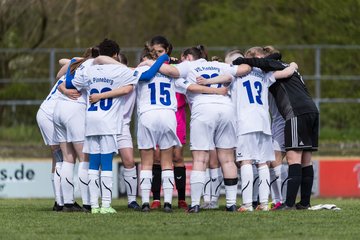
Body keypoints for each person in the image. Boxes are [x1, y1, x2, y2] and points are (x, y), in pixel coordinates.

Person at [141, 45, 251, 213]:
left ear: (188, 57)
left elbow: (168, 71)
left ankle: (195, 204)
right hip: (226, 109)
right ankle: (231, 204)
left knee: (200, 159)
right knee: (228, 159)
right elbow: (245, 69)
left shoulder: (188, 65)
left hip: (203, 109)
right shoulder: (220, 65)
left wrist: (149, 62)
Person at [198, 48, 297, 211]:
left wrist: (207, 81)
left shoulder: (237, 73)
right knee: (263, 163)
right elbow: (286, 73)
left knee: (246, 161)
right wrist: (293, 64)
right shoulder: (264, 74)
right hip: (264, 122)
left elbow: (225, 77)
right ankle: (264, 204)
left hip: (246, 121)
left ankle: (247, 204)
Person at [232, 46, 319, 210]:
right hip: (312, 110)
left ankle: (288, 203)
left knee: (294, 159)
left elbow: (261, 62)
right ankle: (304, 202)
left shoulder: (271, 66)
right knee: (306, 160)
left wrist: (241, 61)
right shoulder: (285, 65)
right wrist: (293, 65)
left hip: (296, 113)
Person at [69, 39, 138, 214]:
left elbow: (73, 83)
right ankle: (106, 205)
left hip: (91, 119)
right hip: (108, 122)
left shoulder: (89, 68)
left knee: (93, 163)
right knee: (106, 163)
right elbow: (129, 88)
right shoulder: (120, 70)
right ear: (116, 55)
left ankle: (93, 205)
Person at [89, 52, 141, 211]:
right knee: (98, 164)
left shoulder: (130, 76)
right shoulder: (106, 78)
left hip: (122, 126)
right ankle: (95, 202)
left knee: (129, 161)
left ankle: (132, 200)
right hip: (106, 124)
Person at [54, 47, 98, 212]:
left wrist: (65, 89)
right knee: (83, 157)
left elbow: (59, 77)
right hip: (75, 109)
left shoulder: (74, 63)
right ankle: (87, 203)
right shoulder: (93, 66)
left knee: (67, 158)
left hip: (59, 109)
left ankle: (68, 203)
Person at [147, 36, 188, 210]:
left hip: (176, 115)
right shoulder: (148, 67)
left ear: (168, 51)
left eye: (161, 51)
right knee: (156, 157)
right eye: (154, 52)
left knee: (177, 157)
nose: (157, 55)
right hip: (157, 116)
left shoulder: (177, 68)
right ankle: (156, 198)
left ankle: (181, 198)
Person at [36, 75, 80, 211]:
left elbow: (62, 63)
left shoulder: (71, 70)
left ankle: (60, 201)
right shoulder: (81, 73)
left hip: (48, 113)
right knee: (62, 158)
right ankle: (62, 202)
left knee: (58, 159)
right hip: (50, 115)